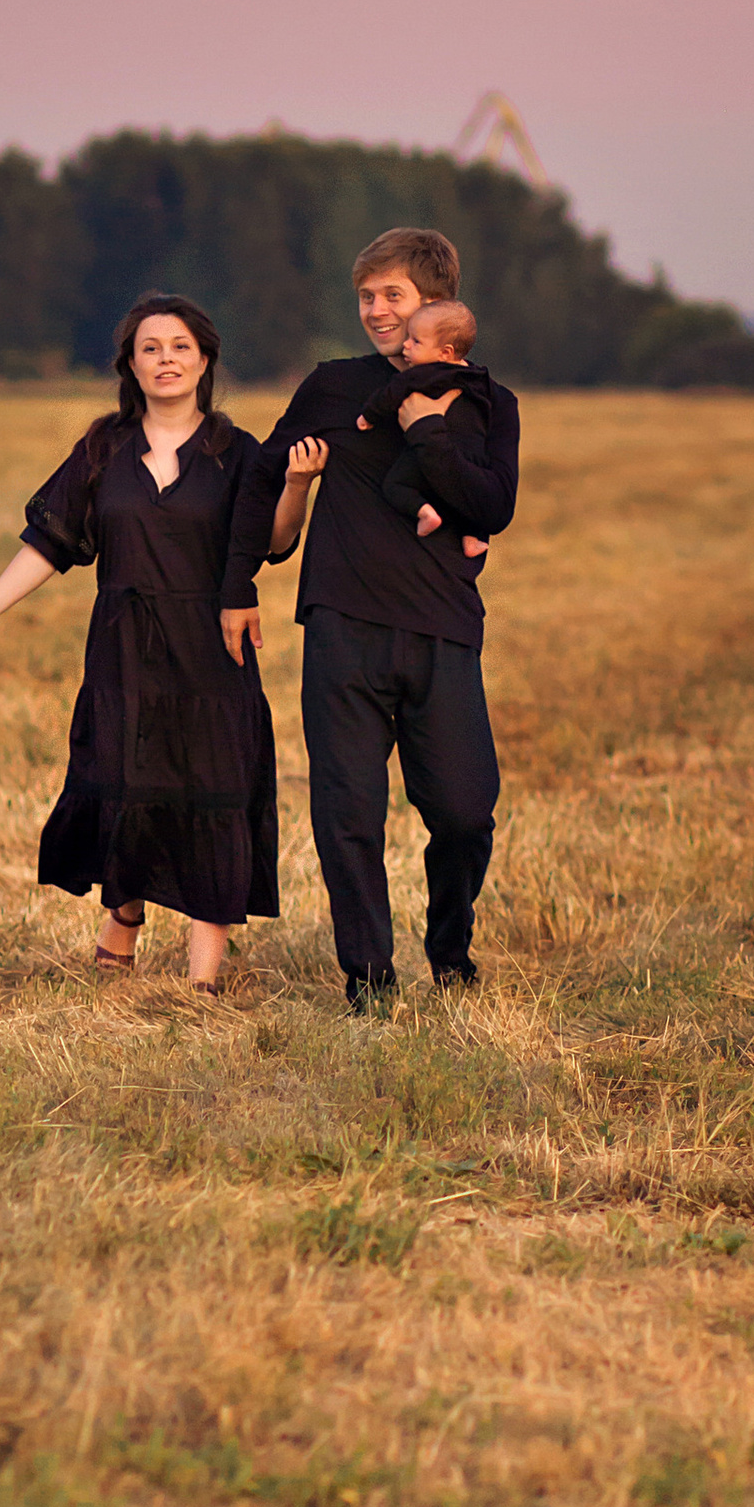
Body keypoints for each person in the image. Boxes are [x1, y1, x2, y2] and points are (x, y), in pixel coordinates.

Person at [0, 295, 279, 990]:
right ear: (129, 363)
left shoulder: (236, 453)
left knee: (211, 790)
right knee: (123, 782)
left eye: (180, 346)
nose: (166, 359)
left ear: (205, 359)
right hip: (123, 648)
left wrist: (297, 481)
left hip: (212, 649)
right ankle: (123, 914)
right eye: (150, 347)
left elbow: (273, 542)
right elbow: (52, 540)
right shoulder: (103, 448)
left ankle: (202, 981)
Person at [257, 228, 519, 1005]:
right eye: (366, 297)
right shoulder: (334, 387)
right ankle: (368, 977)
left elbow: (493, 507)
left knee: (467, 811)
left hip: (443, 626)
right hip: (342, 621)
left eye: (392, 296)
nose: (375, 311)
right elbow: (263, 479)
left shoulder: (486, 401)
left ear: (435, 303)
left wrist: (423, 425)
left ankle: (450, 947)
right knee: (349, 812)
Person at [352, 297, 497, 553]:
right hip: (474, 452)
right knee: (468, 493)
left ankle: (425, 513)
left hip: (431, 449)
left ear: (445, 353)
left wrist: (368, 416)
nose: (406, 345)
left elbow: (391, 394)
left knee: (395, 485)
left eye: (416, 341)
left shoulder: (422, 374)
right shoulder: (479, 377)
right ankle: (474, 536)